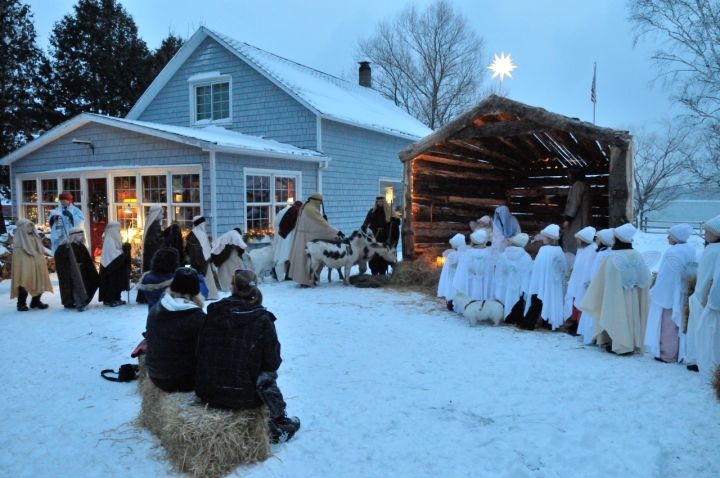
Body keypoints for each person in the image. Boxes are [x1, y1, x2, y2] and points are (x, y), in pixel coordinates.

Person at [195, 270, 301, 443]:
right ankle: (279, 420)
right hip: (244, 397)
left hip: (207, 392)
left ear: (232, 287)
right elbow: (273, 362)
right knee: (267, 374)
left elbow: (199, 352)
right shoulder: (263, 319)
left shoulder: (213, 313)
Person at [579, 223, 651, 355]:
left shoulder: (612, 257)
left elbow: (602, 281)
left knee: (617, 316)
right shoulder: (637, 255)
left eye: (614, 238)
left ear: (619, 239)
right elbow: (645, 278)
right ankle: (632, 342)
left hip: (616, 297)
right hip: (633, 296)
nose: (612, 241)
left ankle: (618, 343)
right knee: (631, 316)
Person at [145, 267, 205, 392]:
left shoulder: (156, 308)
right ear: (196, 292)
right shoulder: (197, 317)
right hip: (183, 380)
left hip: (155, 374)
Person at [644, 224, 697, 363]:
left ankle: (667, 354)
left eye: (670, 235)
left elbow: (665, 277)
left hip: (670, 293)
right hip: (684, 291)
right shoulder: (690, 249)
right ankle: (679, 352)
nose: (667, 237)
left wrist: (655, 290)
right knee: (679, 323)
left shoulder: (672, 252)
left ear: (677, 237)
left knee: (668, 325)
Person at [685, 214, 720, 379]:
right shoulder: (712, 249)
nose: (705, 234)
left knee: (702, 331)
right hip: (705, 295)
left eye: (708, 231)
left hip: (703, 297)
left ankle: (698, 359)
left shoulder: (712, 251)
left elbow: (707, 276)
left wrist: (701, 295)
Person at [519, 224, 566, 330]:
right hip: (550, 284)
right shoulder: (557, 250)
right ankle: (547, 323)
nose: (542, 238)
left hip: (542, 284)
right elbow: (562, 268)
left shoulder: (545, 250)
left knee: (536, 303)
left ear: (549, 238)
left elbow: (539, 267)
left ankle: (529, 323)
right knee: (547, 302)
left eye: (544, 237)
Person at [287, 193, 341, 287]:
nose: (320, 205)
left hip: (302, 238)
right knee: (308, 260)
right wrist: (336, 232)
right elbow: (322, 225)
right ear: (316, 201)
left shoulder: (306, 206)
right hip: (307, 239)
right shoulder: (311, 210)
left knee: (303, 260)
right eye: (320, 203)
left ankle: (304, 280)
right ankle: (307, 281)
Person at [577, 228, 615, 345]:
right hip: (596, 284)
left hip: (597, 285)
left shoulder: (604, 254)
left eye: (598, 238)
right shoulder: (602, 252)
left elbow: (597, 270)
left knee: (593, 310)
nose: (596, 240)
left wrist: (592, 281)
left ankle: (592, 335)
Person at [11, 219, 53, 311]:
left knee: (40, 280)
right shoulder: (19, 240)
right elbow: (19, 258)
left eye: (31, 226)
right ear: (22, 228)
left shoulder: (34, 236)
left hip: (37, 264)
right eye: (28, 226)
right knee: (23, 281)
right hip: (25, 266)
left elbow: (39, 250)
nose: (30, 228)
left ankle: (36, 301)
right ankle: (21, 304)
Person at [562, 226, 597, 333]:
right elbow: (578, 266)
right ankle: (574, 322)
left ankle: (579, 325)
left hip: (585, 281)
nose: (577, 241)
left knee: (582, 302)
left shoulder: (592, 250)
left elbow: (590, 267)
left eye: (579, 239)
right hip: (577, 280)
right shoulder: (581, 250)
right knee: (575, 300)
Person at [54, 227, 99, 311]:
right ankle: (79, 304)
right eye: (78, 235)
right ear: (73, 236)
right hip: (72, 273)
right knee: (76, 287)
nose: (81, 237)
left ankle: (82, 301)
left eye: (81, 235)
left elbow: (87, 259)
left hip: (82, 271)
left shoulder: (81, 246)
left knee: (83, 286)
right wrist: (66, 252)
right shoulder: (65, 247)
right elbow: (60, 258)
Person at [494, 233, 533, 324]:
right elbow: (528, 272)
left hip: (505, 283)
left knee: (505, 297)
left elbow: (499, 270)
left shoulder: (504, 255)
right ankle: (516, 318)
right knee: (517, 299)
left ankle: (505, 317)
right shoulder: (526, 257)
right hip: (518, 285)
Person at [452, 229, 495, 301]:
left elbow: (461, 273)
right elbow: (490, 274)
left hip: (470, 281)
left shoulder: (466, 253)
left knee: (471, 284)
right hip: (483, 282)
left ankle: (468, 303)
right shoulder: (489, 254)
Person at [98, 221, 131, 307]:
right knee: (111, 283)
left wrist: (125, 248)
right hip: (111, 267)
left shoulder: (114, 238)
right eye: (118, 230)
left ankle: (117, 298)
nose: (119, 231)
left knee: (117, 283)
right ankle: (110, 299)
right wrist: (125, 252)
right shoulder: (109, 239)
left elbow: (119, 249)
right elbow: (114, 254)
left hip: (116, 267)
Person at [185, 215, 218, 300]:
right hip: (201, 261)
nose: (205, 226)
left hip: (200, 260)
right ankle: (208, 294)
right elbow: (197, 250)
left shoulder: (193, 233)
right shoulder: (199, 234)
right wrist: (201, 262)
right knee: (205, 279)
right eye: (204, 224)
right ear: (200, 224)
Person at [137, 205, 165, 304]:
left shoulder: (154, 225)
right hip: (152, 255)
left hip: (151, 254)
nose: (163, 215)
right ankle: (146, 296)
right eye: (161, 213)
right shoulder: (154, 226)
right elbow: (155, 242)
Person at [561, 170, 592, 255]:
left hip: (578, 221)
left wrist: (568, 219)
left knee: (574, 243)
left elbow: (575, 202)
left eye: (569, 175)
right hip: (582, 219)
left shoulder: (578, 185)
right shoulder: (584, 184)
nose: (568, 177)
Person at [362, 196, 395, 275]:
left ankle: (382, 271)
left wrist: (395, 221)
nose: (379, 203)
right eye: (378, 201)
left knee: (383, 254)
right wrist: (364, 226)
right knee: (373, 254)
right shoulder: (372, 211)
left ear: (384, 202)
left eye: (381, 201)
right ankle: (374, 271)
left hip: (384, 236)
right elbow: (366, 221)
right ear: (376, 202)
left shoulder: (388, 211)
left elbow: (395, 221)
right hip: (374, 236)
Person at [437, 233, 468, 310]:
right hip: (459, 276)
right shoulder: (466, 253)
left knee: (453, 288)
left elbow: (451, 264)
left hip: (454, 276)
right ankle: (453, 302)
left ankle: (452, 302)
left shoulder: (453, 255)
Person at [273, 201, 302, 281]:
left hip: (281, 234)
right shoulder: (297, 211)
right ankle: (288, 274)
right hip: (290, 236)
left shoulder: (283, 211)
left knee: (279, 255)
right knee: (288, 255)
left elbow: (276, 223)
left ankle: (278, 274)